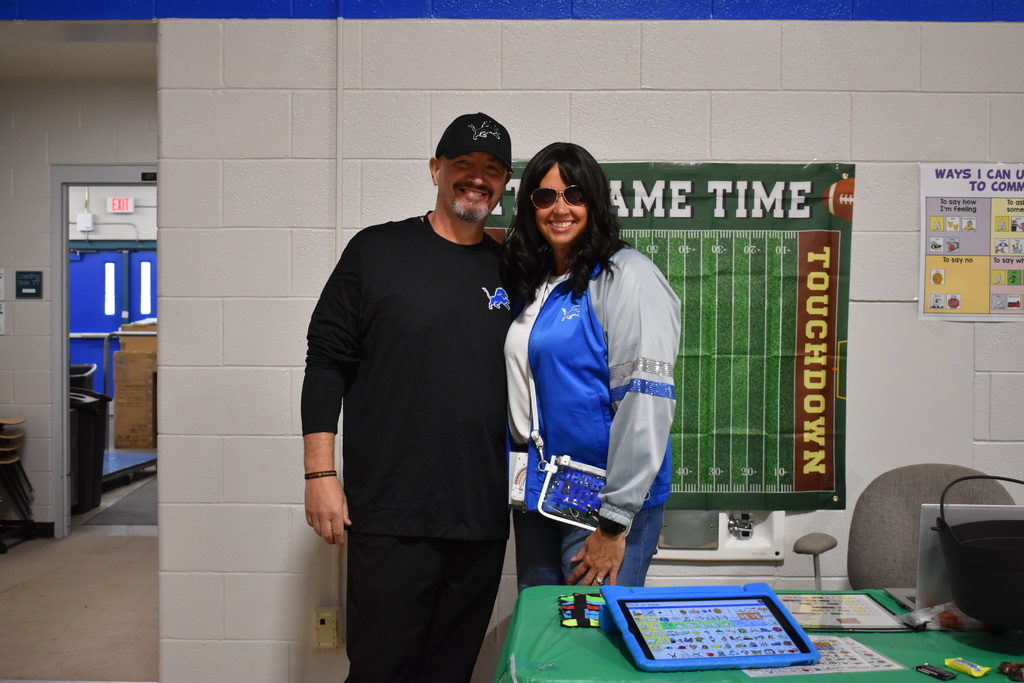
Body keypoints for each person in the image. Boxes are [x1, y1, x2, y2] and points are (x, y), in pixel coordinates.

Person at [301, 112, 514, 683]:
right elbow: (326, 359)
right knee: (381, 671)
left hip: (481, 514)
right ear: (435, 169)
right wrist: (319, 476)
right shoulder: (376, 251)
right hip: (392, 511)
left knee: (450, 672)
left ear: (504, 184)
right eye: (463, 164)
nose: (476, 179)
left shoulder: (512, 269)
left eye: (491, 169)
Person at [502, 142, 680, 591]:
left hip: (600, 505)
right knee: (544, 639)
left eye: (574, 194)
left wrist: (615, 522)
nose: (559, 208)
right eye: (545, 197)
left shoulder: (627, 276)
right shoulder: (540, 281)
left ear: (595, 201)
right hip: (541, 494)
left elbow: (645, 402)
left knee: (588, 648)